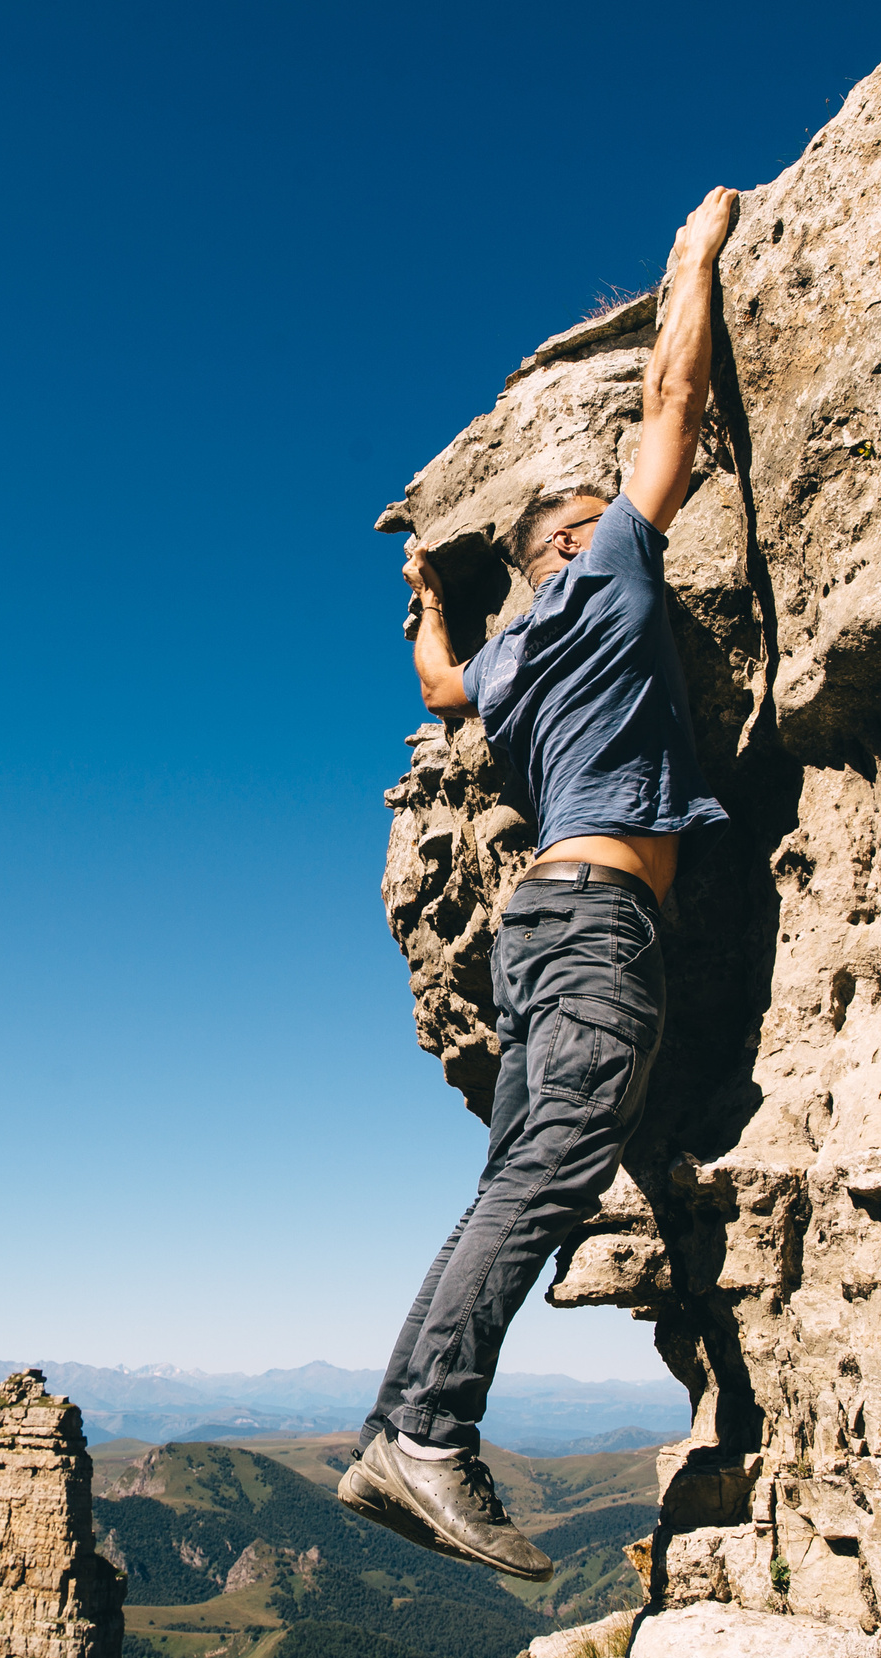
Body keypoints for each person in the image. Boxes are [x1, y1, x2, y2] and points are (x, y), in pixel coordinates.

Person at [339, 186, 739, 1579]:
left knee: (520, 1169)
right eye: (597, 514)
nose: (624, 517)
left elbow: (444, 681)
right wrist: (693, 259)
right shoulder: (616, 567)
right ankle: (424, 1435)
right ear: (572, 545)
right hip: (598, 922)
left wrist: (427, 596)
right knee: (557, 1163)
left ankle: (415, 1428)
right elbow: (674, 403)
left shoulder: (510, 664)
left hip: (539, 929)